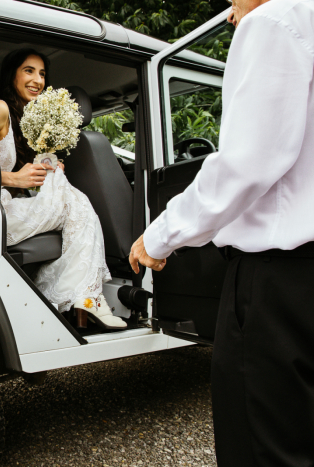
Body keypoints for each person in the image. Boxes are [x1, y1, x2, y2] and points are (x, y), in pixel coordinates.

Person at [129, 0, 314, 465]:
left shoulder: (272, 21)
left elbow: (244, 164)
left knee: (261, 444)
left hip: (279, 281)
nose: (231, 9)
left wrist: (159, 236)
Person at [0, 48, 126, 330]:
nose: (38, 80)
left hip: (9, 207)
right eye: (28, 71)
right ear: (12, 75)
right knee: (77, 203)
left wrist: (45, 167)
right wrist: (14, 179)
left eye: (42, 73)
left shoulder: (27, 120)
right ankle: (87, 299)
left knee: (72, 198)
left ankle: (84, 299)